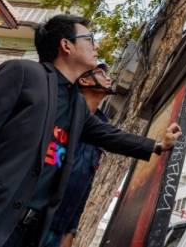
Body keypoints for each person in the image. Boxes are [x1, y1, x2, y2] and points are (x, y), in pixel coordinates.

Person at [0, 14, 182, 247]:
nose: (96, 46)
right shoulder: (23, 75)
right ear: (66, 45)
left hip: (24, 234)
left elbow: (111, 136)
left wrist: (157, 145)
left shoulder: (78, 107)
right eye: (89, 39)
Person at [41, 63, 114, 247]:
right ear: (84, 80)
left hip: (57, 231)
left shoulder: (101, 129)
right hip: (32, 218)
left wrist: (70, 232)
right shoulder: (60, 113)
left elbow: (84, 184)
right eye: (101, 73)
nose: (108, 78)